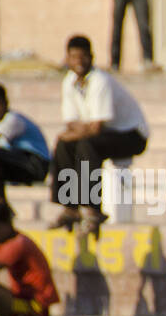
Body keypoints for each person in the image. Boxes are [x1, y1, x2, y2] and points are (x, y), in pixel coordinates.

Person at [50, 35, 149, 236]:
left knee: (87, 145)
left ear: (91, 57)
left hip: (131, 134)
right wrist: (70, 134)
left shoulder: (100, 81)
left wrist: (75, 132)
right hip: (105, 133)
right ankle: (70, 207)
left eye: (82, 56)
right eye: (73, 56)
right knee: (63, 145)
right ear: (67, 59)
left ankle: (93, 210)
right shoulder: (69, 82)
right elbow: (71, 122)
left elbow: (96, 128)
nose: (78, 61)